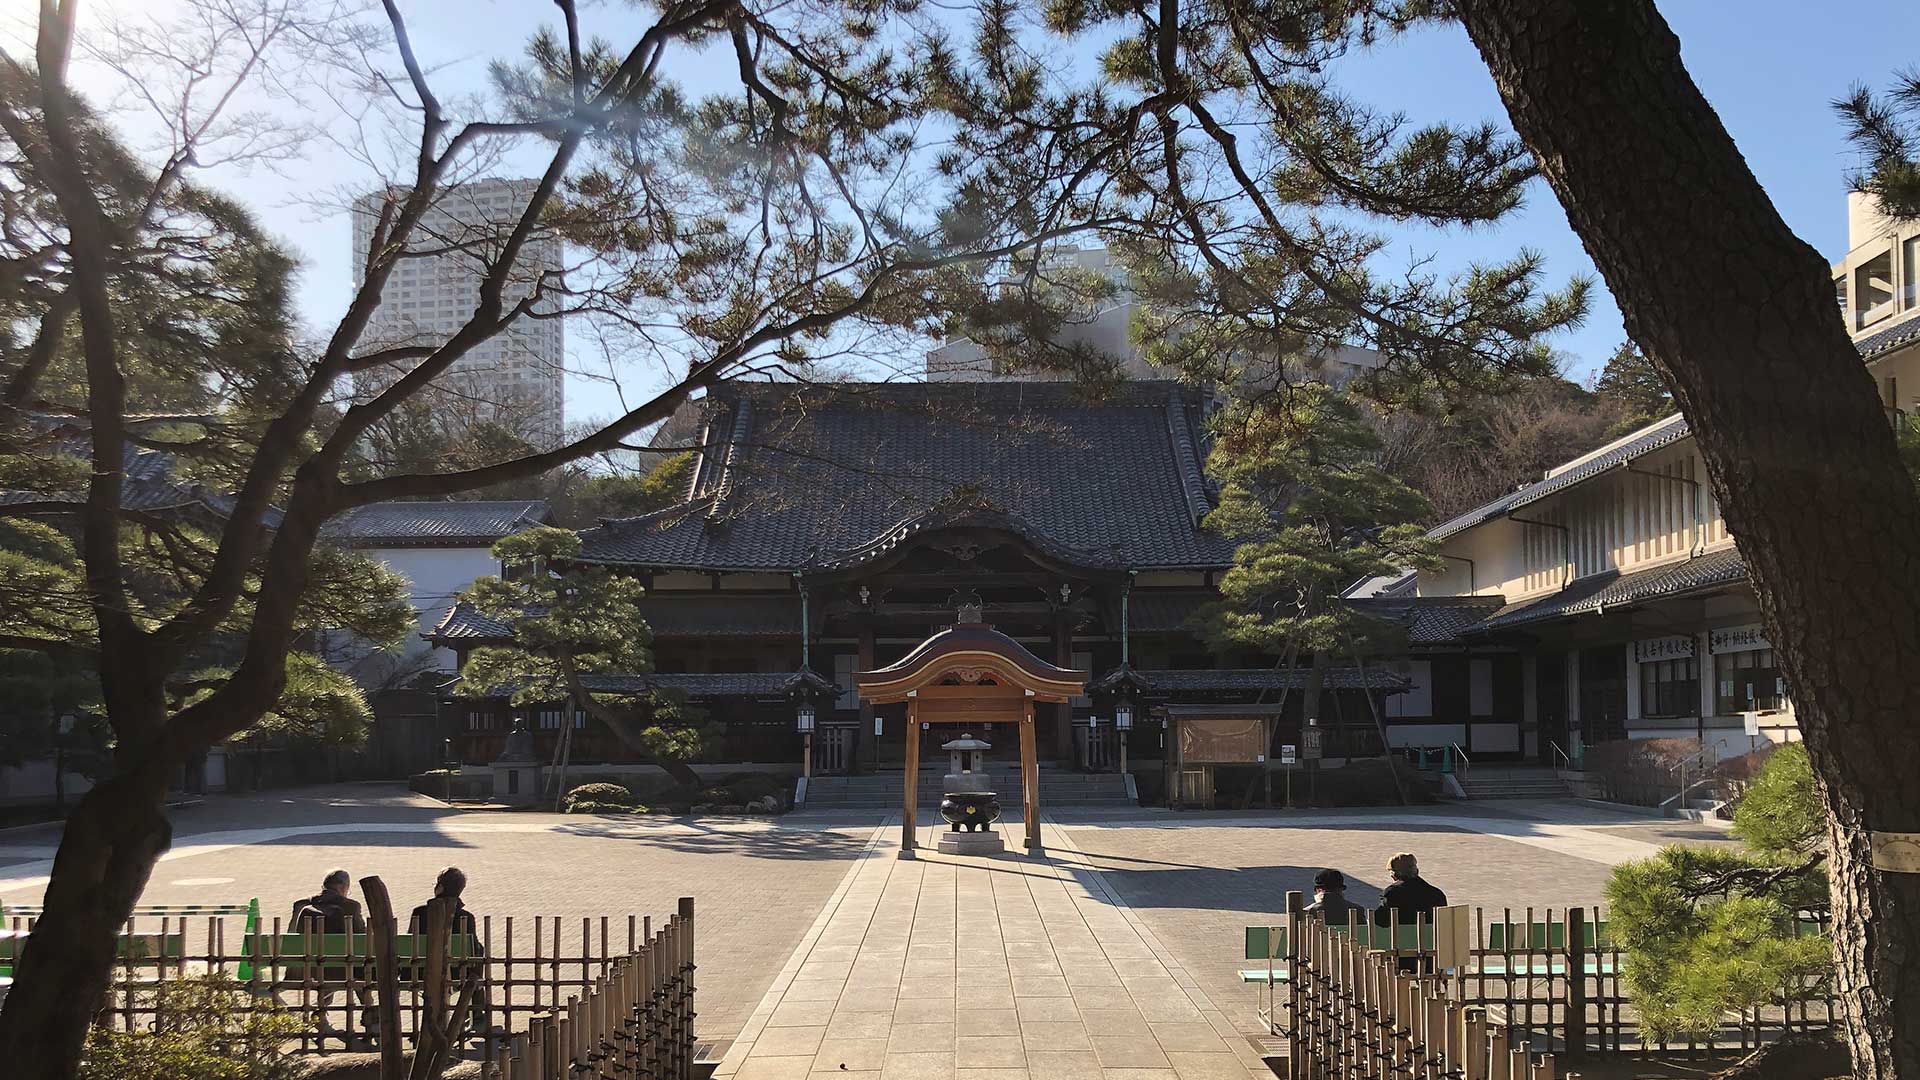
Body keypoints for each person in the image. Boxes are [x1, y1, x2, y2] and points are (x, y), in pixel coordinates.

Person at [289, 869, 371, 1045]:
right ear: (342, 887)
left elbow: (292, 937)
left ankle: (321, 1015)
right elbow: (361, 939)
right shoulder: (351, 906)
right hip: (344, 969)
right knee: (361, 969)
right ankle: (370, 1015)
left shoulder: (301, 905)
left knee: (328, 968)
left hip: (310, 969)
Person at [409, 867, 492, 1039]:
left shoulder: (419, 913)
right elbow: (472, 949)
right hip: (457, 973)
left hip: (421, 972)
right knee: (478, 953)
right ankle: (477, 1008)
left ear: (439, 887)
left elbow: (411, 942)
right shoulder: (466, 917)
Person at [1373, 852, 1447, 927]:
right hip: (1432, 937)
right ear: (1417, 871)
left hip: (1401, 937)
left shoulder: (1392, 893)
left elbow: (1380, 921)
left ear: (1394, 876)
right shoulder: (1437, 894)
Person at [291, 868, 367, 934]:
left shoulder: (301, 905)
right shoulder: (351, 906)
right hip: (342, 950)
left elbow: (291, 935)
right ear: (344, 887)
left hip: (306, 950)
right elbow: (361, 934)